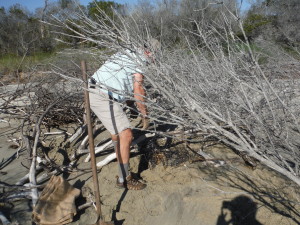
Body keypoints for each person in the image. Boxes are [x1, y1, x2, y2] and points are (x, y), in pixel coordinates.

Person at [88, 39, 161, 190]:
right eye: (154, 56)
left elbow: (121, 80)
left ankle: (121, 163)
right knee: (127, 135)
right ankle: (124, 178)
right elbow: (139, 90)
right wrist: (145, 115)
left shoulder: (126, 53)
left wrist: (130, 104)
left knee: (116, 134)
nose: (154, 60)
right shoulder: (139, 60)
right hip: (102, 95)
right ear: (148, 52)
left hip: (94, 90)